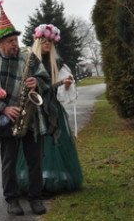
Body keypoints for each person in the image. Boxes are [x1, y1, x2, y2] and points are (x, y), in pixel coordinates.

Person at [0, 0, 51, 216]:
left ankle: (36, 198)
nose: (14, 44)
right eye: (9, 41)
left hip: (30, 118)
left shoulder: (28, 57)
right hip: (5, 120)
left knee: (36, 160)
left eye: (15, 39)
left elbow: (45, 79)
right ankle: (12, 199)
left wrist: (37, 82)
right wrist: (3, 109)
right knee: (9, 162)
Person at [15, 24, 84, 195]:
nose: (47, 44)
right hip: (32, 109)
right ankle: (32, 181)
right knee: (32, 143)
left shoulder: (58, 64)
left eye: (50, 41)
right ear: (38, 41)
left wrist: (66, 85)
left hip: (52, 110)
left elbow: (63, 91)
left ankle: (51, 179)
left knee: (52, 143)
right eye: (44, 41)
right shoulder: (28, 62)